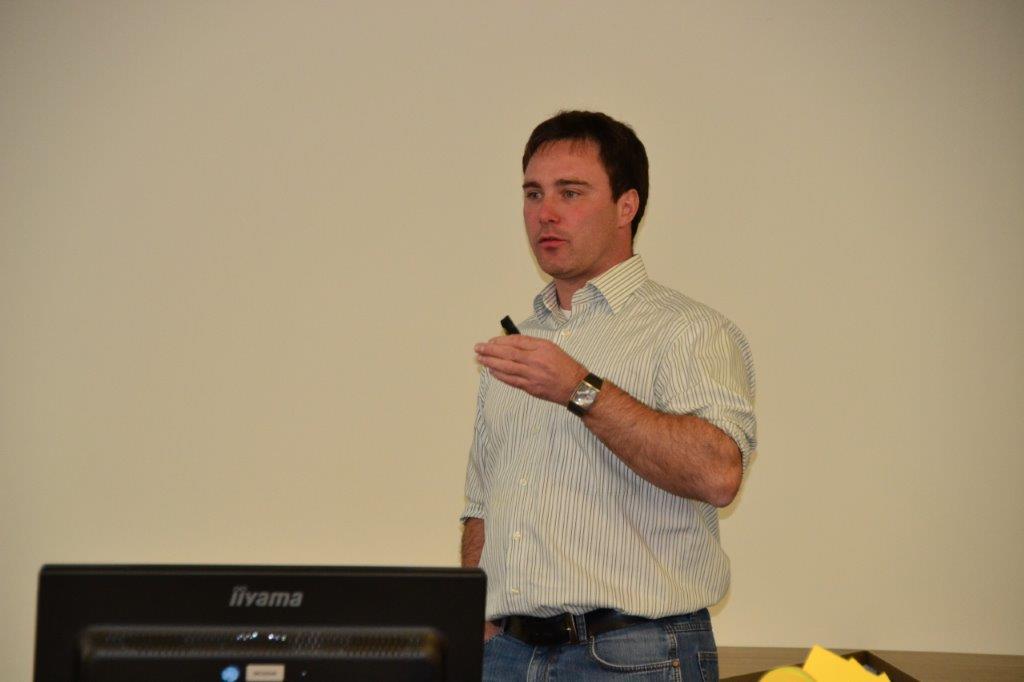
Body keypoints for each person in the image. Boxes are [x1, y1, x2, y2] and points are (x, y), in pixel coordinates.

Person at [461, 110, 757, 681]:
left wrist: (578, 389)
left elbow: (719, 473)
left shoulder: (688, 330)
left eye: (570, 192)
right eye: (533, 193)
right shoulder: (519, 346)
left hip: (634, 655)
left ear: (627, 206)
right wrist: (478, 615)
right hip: (508, 657)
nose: (545, 213)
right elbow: (480, 503)